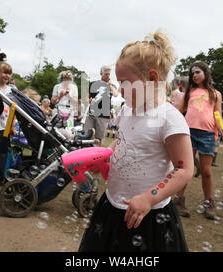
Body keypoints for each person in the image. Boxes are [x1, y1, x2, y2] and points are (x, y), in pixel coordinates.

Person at [79, 30, 194, 252]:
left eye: (124, 82)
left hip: (148, 215)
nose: (119, 89)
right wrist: (104, 158)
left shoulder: (169, 119)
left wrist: (150, 198)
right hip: (114, 205)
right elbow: (120, 143)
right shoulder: (127, 110)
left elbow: (184, 170)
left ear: (151, 79)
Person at [173, 61, 223, 220]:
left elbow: (218, 115)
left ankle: (209, 204)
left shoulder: (215, 94)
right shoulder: (190, 91)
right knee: (186, 169)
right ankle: (179, 200)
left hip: (207, 135)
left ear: (206, 73)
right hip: (188, 132)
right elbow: (180, 110)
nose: (194, 75)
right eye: (192, 73)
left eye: (198, 72)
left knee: (206, 171)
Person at [84, 66, 119, 144]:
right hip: (91, 114)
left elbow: (116, 94)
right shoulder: (93, 84)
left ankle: (96, 154)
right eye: (106, 74)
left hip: (103, 115)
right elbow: (86, 97)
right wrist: (88, 101)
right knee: (87, 135)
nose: (108, 76)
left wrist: (109, 85)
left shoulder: (111, 86)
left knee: (99, 139)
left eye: (109, 74)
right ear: (101, 73)